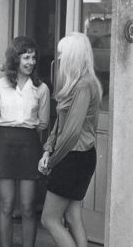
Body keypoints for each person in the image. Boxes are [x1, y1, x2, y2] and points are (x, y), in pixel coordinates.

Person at [0, 36, 50, 247]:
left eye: (33, 57)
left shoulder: (41, 89)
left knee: (28, 207)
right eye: (26, 57)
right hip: (4, 145)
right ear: (15, 58)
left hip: (29, 145)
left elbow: (43, 123)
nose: (31, 62)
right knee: (6, 206)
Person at [38, 32, 102, 247]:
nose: (60, 58)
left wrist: (53, 161)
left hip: (73, 158)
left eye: (63, 53)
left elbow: (72, 132)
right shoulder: (77, 84)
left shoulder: (84, 86)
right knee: (72, 217)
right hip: (76, 156)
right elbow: (61, 124)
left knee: (49, 220)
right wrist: (48, 149)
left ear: (74, 55)